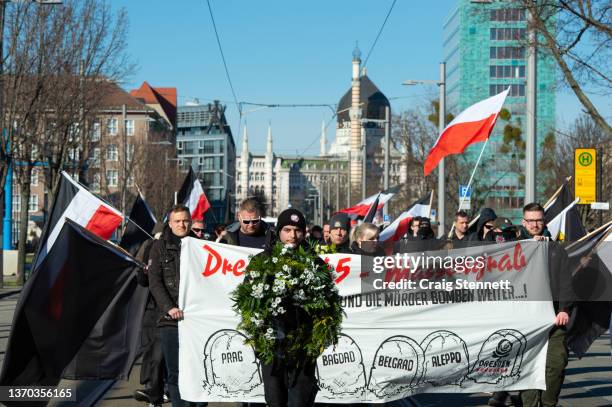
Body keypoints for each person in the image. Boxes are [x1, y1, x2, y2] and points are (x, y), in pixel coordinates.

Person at [244, 208, 338, 407]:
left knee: (300, 401)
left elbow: (328, 304)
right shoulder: (262, 262)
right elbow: (249, 302)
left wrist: (319, 335)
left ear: (304, 232)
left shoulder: (316, 264)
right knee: (275, 399)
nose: (292, 235)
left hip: (303, 345)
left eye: (297, 230)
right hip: (273, 345)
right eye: (287, 229)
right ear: (279, 231)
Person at [148, 205, 206, 407]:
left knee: (200, 369)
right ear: (170, 223)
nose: (182, 224)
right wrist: (169, 308)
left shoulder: (200, 244)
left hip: (196, 320)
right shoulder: (159, 246)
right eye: (178, 221)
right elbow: (154, 282)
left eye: (186, 220)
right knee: (175, 372)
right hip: (170, 320)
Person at [518, 203, 574, 407]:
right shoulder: (513, 248)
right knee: (528, 366)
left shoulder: (556, 250)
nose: (534, 224)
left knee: (556, 365)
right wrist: (529, 247)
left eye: (538, 220)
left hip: (553, 319)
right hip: (525, 321)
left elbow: (566, 282)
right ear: (524, 222)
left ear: (544, 221)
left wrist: (564, 309)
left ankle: (549, 403)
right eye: (530, 220)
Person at [134, 235, 167, 407]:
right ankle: (152, 390)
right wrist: (146, 270)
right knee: (152, 352)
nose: (199, 233)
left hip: (175, 311)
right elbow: (142, 279)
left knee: (163, 354)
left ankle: (162, 388)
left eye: (201, 230)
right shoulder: (152, 248)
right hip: (153, 309)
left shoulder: (191, 245)